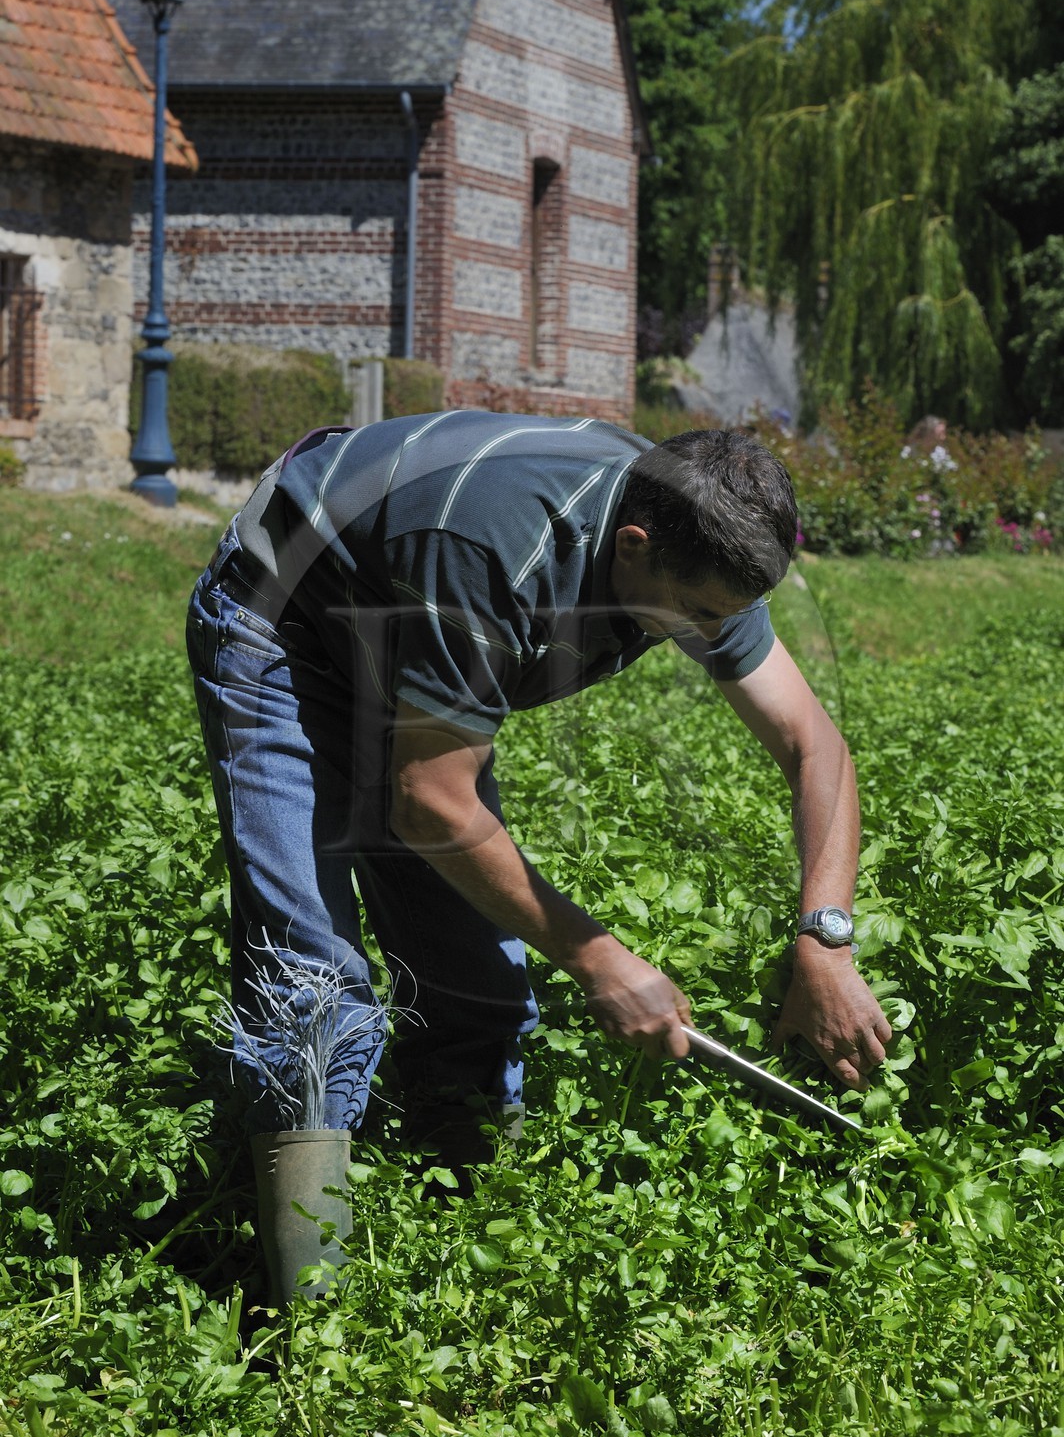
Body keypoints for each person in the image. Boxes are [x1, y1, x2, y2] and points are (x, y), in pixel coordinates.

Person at [187, 412, 890, 1165]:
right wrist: (600, 960)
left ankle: (455, 1231)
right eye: (702, 616)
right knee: (313, 991)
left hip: (416, 633)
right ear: (632, 547)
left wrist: (826, 943)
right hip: (287, 626)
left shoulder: (700, 545)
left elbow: (815, 747)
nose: (718, 639)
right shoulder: (494, 550)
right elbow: (431, 801)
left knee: (478, 988)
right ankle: (305, 1281)